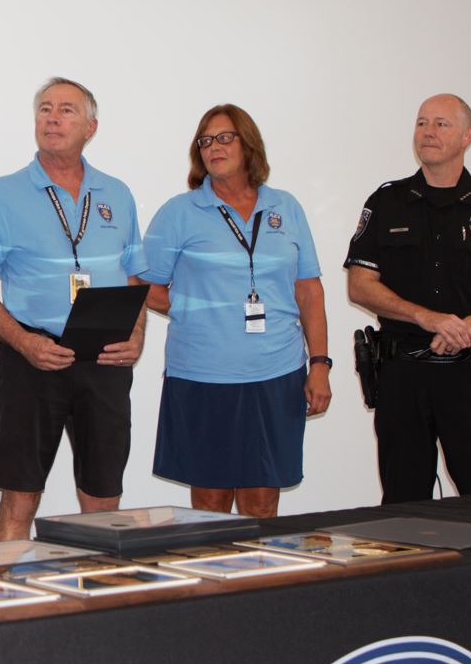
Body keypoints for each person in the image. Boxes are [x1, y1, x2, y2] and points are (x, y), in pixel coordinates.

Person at [345, 93, 471, 504]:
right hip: (404, 373)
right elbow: (360, 285)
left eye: (441, 124)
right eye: (422, 123)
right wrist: (425, 317)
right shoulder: (386, 203)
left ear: (467, 136)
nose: (428, 132)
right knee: (403, 501)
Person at [0, 77, 147, 541]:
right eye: (45, 109)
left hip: (105, 358)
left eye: (66, 110)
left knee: (103, 499)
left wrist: (136, 336)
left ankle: (100, 588)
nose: (52, 118)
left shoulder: (117, 193)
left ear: (91, 127)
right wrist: (25, 342)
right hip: (31, 359)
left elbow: (135, 279)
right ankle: (5, 590)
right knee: (19, 498)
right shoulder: (0, 195)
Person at [141, 104, 331, 518]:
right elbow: (142, 283)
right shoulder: (179, 212)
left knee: (262, 500)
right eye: (205, 141)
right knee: (210, 505)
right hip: (202, 376)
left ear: (249, 145)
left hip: (277, 373)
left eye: (225, 137)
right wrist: (196, 308)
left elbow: (309, 290)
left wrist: (319, 364)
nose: (214, 147)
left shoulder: (286, 207)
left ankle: (260, 566)